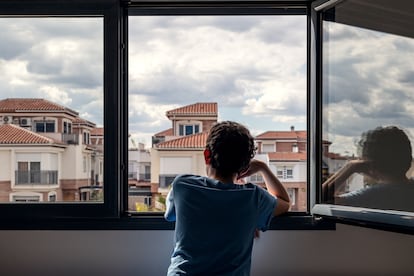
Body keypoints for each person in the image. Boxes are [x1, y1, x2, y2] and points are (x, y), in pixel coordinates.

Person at [164, 121, 290, 275]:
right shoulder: (253, 197)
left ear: (206, 155)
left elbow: (171, 215)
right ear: (245, 166)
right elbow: (284, 202)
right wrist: (263, 168)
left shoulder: (183, 185)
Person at [322, 125, 414, 211]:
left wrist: (350, 167)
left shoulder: (372, 195)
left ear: (369, 164)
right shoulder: (410, 189)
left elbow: (321, 198)